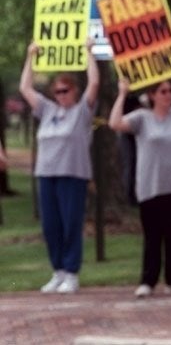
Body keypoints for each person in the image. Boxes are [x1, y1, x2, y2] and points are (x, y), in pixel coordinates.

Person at [108, 56, 171, 297]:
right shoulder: (141, 118)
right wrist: (122, 94)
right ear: (153, 95)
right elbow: (114, 123)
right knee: (153, 236)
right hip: (151, 186)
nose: (168, 95)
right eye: (163, 91)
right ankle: (148, 281)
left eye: (170, 91)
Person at [19, 40, 99, 294]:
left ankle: (72, 272)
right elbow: (25, 87)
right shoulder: (47, 110)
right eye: (58, 92)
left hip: (73, 175)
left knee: (70, 224)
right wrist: (30, 56)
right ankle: (58, 272)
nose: (61, 95)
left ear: (74, 91)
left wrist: (88, 53)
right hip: (46, 174)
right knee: (50, 226)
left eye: (65, 91)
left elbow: (95, 83)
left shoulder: (82, 112)